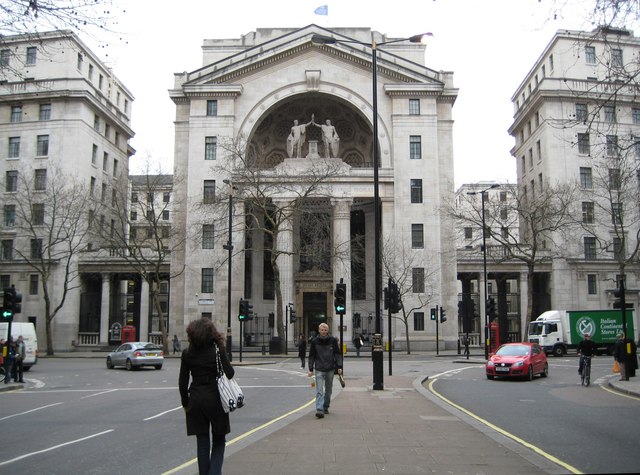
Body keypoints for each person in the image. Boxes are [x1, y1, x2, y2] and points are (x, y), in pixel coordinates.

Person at [179, 318, 234, 475]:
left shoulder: (187, 354)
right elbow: (230, 373)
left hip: (196, 400)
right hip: (217, 399)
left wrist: (185, 404)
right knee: (219, 441)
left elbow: (182, 383)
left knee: (202, 442)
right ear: (211, 333)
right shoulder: (218, 350)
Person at [308, 323, 343, 418]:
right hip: (319, 368)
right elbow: (312, 356)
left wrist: (339, 366)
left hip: (330, 368)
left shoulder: (333, 341)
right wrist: (310, 369)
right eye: (322, 330)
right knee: (319, 390)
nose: (323, 332)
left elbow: (337, 354)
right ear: (319, 330)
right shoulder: (314, 341)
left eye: (325, 330)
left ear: (328, 331)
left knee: (328, 390)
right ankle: (319, 409)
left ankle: (325, 406)